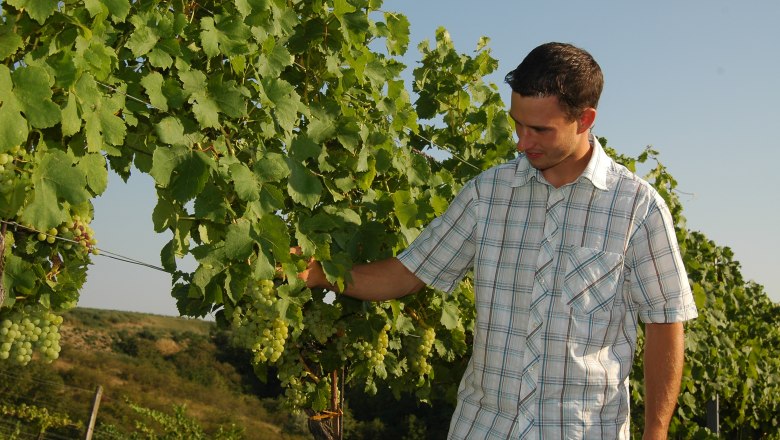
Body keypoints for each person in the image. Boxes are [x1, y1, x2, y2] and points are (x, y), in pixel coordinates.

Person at [300, 42, 698, 439]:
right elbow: (406, 273)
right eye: (517, 124)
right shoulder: (487, 194)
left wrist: (656, 433)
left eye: (540, 129)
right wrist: (321, 274)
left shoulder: (638, 208)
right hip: (484, 428)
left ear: (585, 119)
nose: (523, 142)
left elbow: (665, 324)